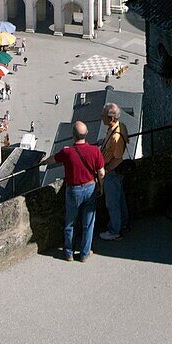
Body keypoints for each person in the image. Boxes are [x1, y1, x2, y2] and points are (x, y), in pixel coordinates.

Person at [44, 122, 105, 262]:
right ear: (86, 133)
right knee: (88, 223)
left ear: (73, 135)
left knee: (70, 222)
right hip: (90, 187)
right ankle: (84, 254)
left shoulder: (67, 152)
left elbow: (52, 159)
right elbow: (101, 173)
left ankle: (69, 253)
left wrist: (43, 161)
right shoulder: (95, 151)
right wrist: (101, 187)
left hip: (73, 190)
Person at [99, 102, 129, 241]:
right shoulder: (120, 126)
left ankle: (114, 231)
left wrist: (106, 170)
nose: (101, 117)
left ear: (111, 118)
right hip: (116, 171)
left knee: (112, 202)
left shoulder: (116, 135)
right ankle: (123, 224)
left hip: (113, 170)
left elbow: (118, 158)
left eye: (104, 115)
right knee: (119, 198)